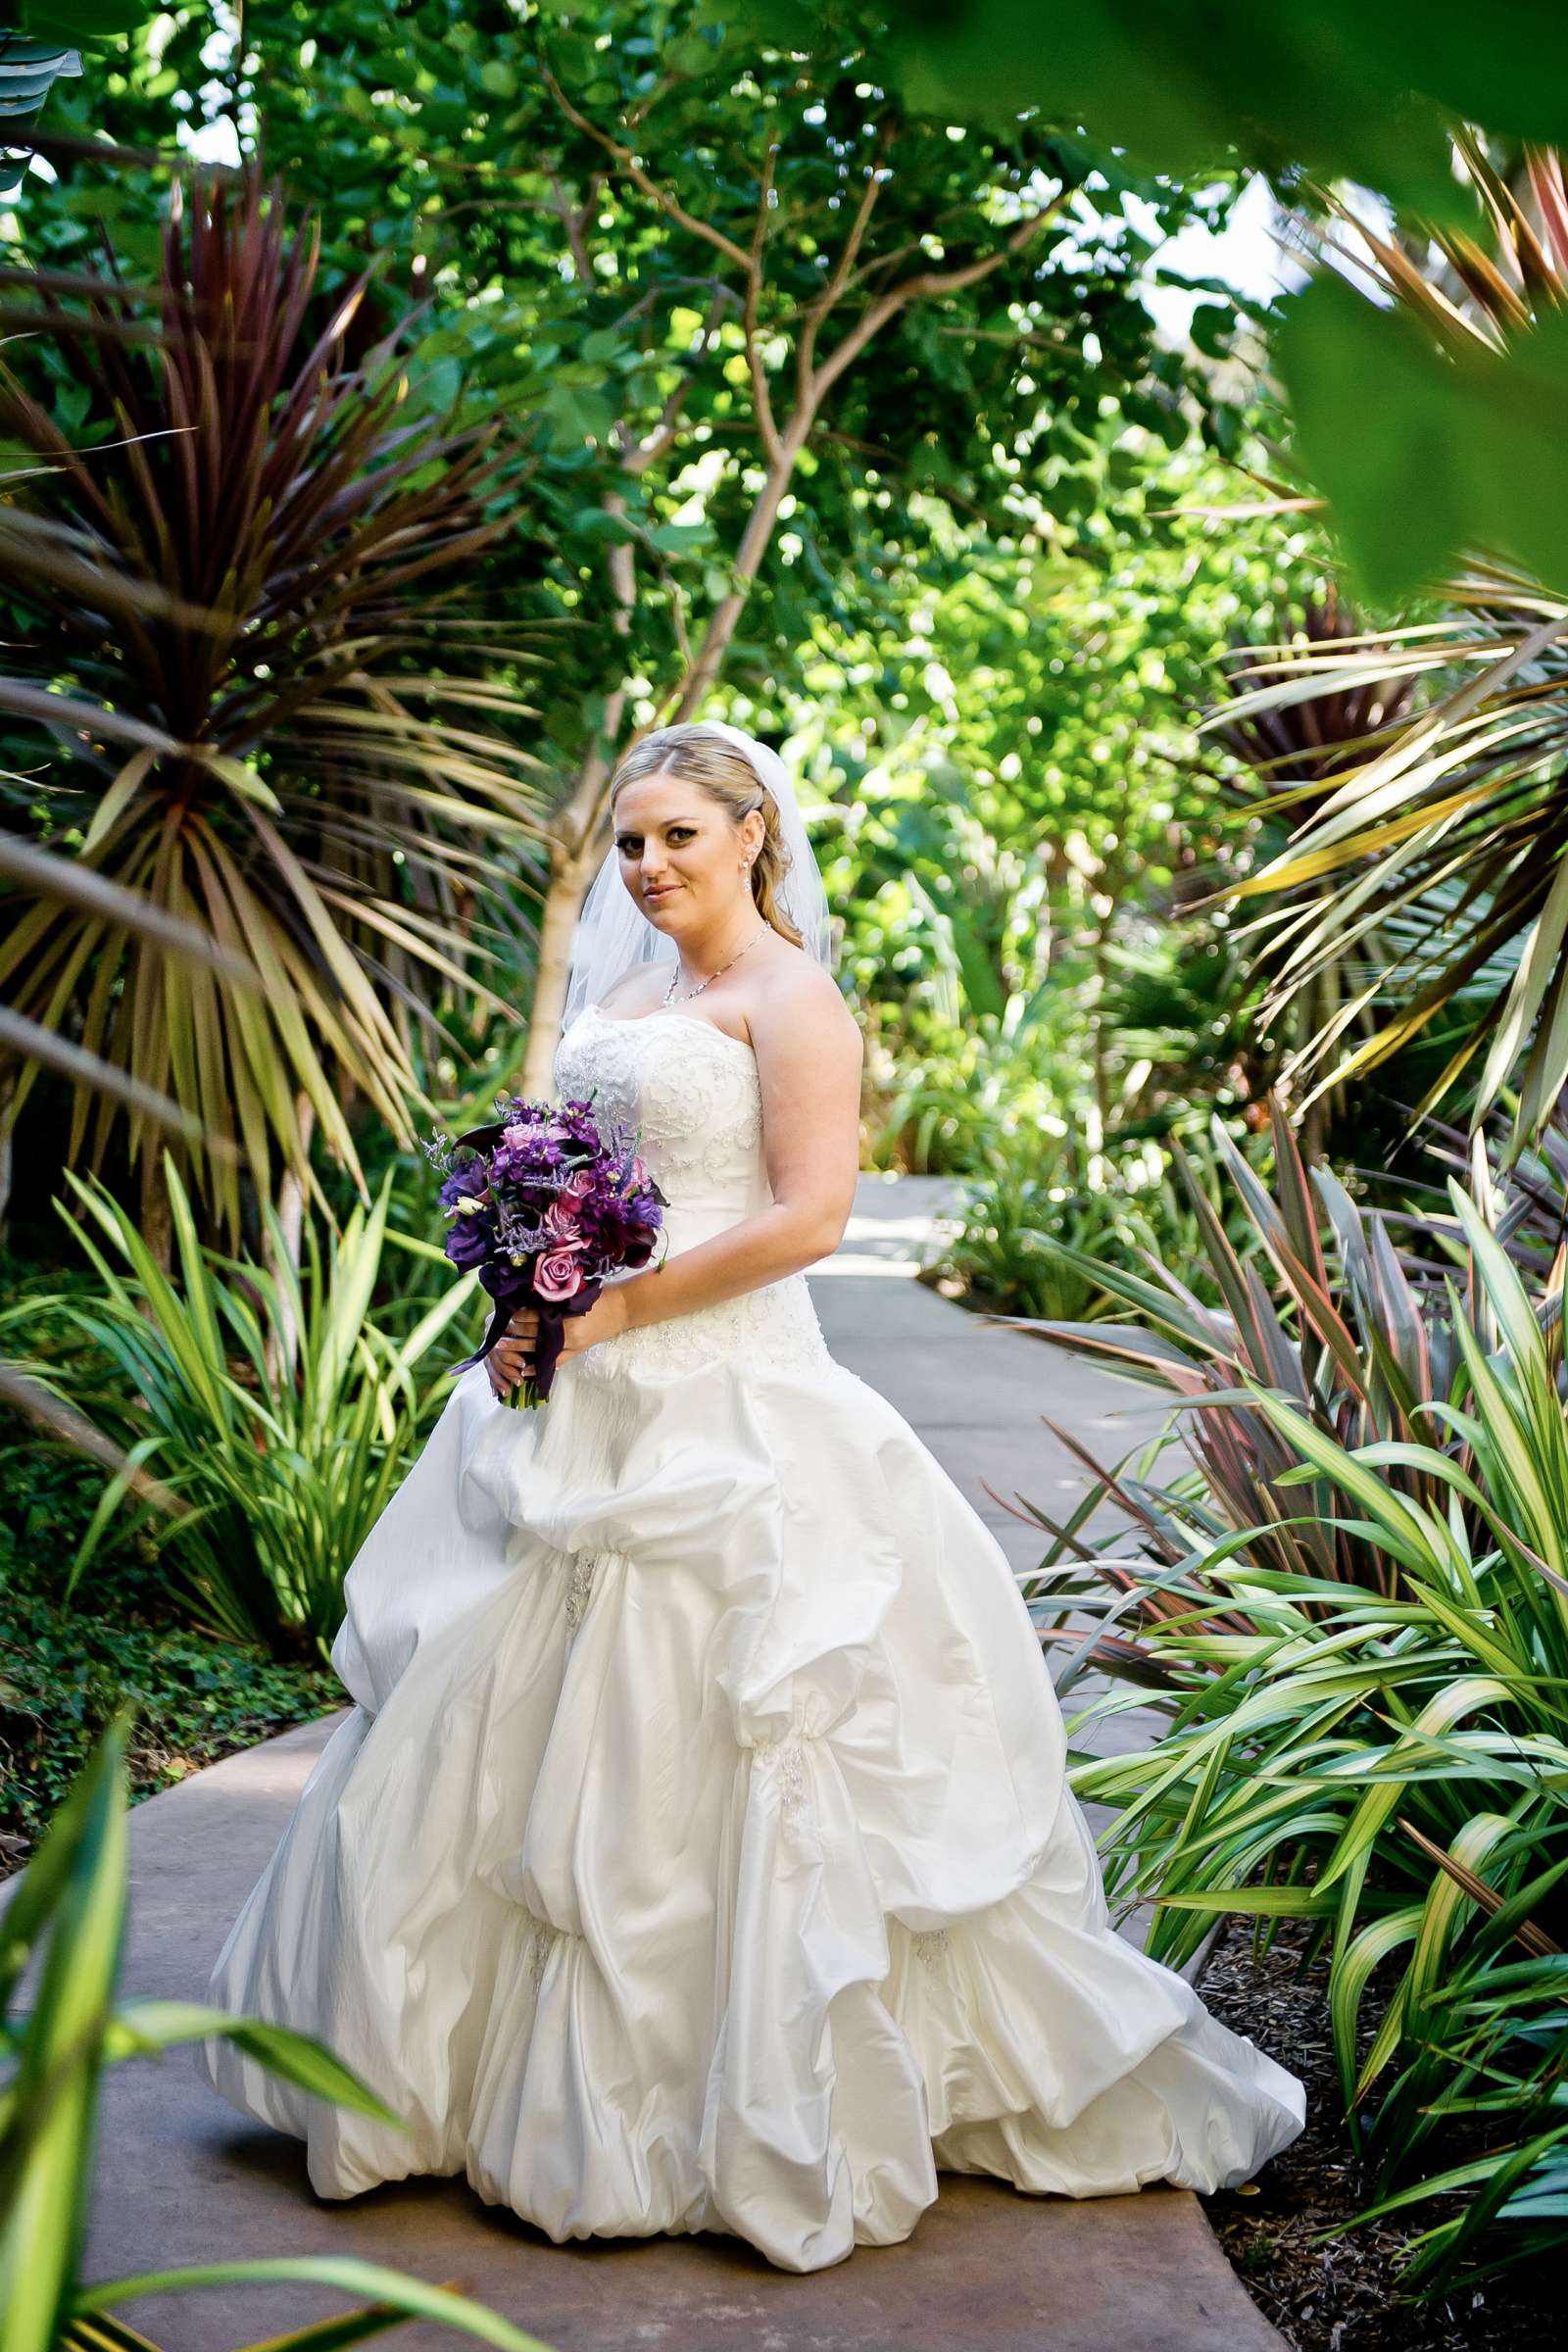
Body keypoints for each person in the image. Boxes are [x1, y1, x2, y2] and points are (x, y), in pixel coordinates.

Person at [197, 718, 1305, 2275]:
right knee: (490, 1712)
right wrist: (533, 1293)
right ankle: (428, 2079)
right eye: (630, 844)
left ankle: (724, 2104)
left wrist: (630, 1310)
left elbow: (809, 1218)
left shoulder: (798, 1002)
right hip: (577, 1395)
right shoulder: (626, 990)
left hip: (732, 1406)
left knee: (728, 1722)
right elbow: (572, 1176)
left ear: (754, 841)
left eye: (678, 840)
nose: (648, 867)